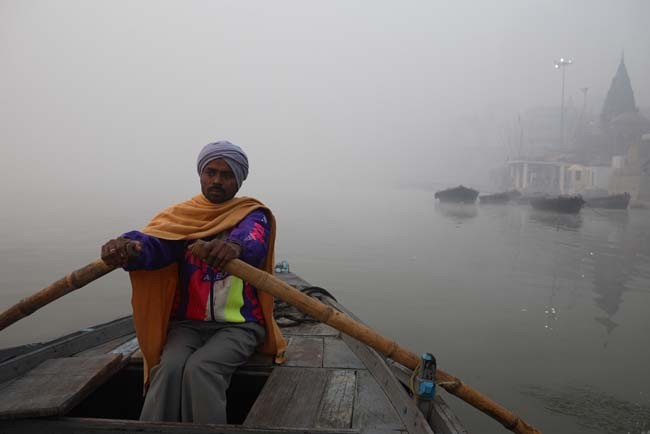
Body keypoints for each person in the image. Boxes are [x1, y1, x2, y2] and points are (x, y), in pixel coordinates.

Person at [101, 141, 287, 424]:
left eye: (226, 175)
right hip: (187, 325)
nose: (217, 180)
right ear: (200, 174)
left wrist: (235, 248)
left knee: (203, 368)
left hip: (239, 326)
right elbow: (156, 245)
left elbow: (254, 240)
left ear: (239, 180)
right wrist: (128, 247)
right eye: (210, 172)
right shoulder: (183, 218)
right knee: (169, 369)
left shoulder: (252, 215)